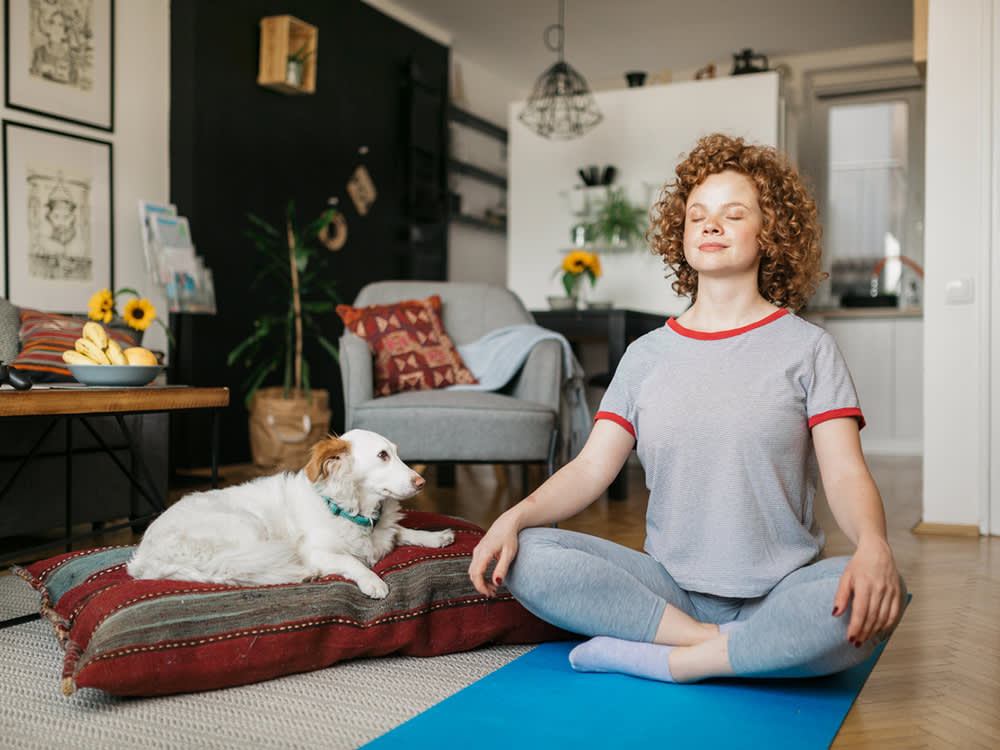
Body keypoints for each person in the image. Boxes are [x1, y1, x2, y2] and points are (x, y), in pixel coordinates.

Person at [468, 133, 905, 684]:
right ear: (681, 232)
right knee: (528, 554)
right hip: (667, 591)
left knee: (874, 593)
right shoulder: (644, 355)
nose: (710, 224)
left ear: (770, 232)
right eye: (697, 214)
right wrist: (514, 515)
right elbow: (590, 469)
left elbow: (844, 474)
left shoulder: (809, 348)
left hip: (781, 590)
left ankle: (671, 660)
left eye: (734, 213)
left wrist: (873, 546)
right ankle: (726, 648)